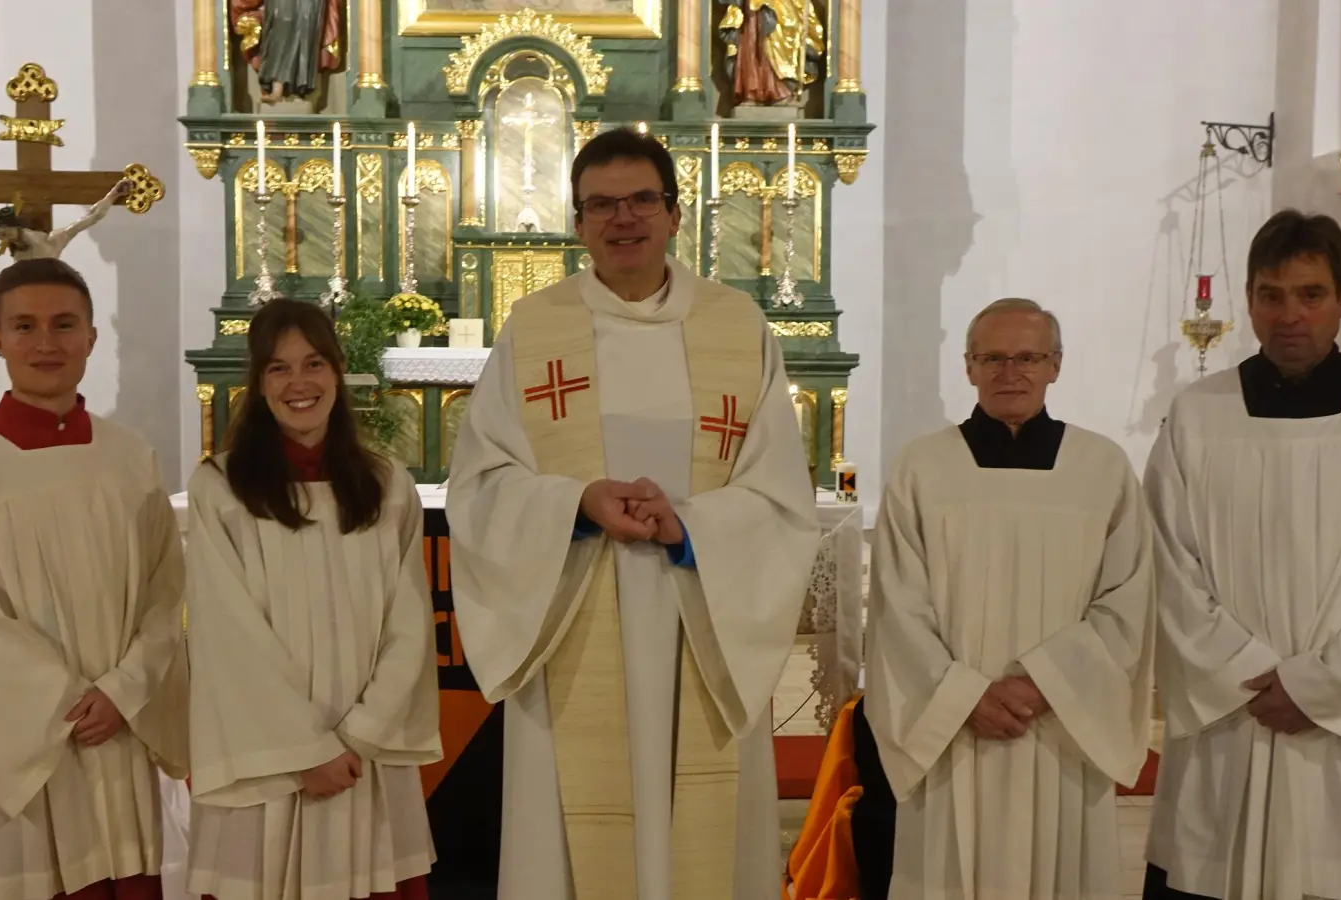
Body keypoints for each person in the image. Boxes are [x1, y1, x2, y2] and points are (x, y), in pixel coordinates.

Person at [446, 127, 821, 900]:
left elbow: (780, 493)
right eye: (602, 205)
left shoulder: (737, 327)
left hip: (700, 617)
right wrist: (575, 504)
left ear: (675, 214)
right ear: (577, 222)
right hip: (575, 611)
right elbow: (481, 486)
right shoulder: (535, 330)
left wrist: (693, 529)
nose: (624, 219)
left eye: (642, 199)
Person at [1142, 210, 1341, 900]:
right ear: (1249, 301)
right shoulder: (1198, 415)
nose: (1291, 315)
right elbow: (1167, 564)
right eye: (1271, 295)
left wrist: (1317, 687)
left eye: (1311, 294)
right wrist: (1248, 672)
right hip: (1235, 716)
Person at [0, 257, 188, 900]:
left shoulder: (130, 457)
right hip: (25, 741)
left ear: (92, 336)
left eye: (64, 324)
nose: (46, 343)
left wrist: (123, 690)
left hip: (116, 725)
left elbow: (165, 590)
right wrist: (59, 700)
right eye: (25, 326)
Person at [863, 297, 1156, 899]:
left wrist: (1043, 682)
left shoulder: (1101, 467)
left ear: (1055, 365)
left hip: (1061, 725)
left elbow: (1128, 598)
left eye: (1027, 357)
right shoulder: (924, 466)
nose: (1010, 372)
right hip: (954, 730)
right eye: (992, 358)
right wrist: (964, 696)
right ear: (968, 366)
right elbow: (898, 605)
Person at [185, 297, 441, 900]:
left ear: (337, 369)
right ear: (258, 382)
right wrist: (306, 751)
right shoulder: (221, 488)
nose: (299, 383)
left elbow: (409, 623)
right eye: (278, 368)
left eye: (313, 363)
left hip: (364, 760)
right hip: (268, 756)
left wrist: (357, 738)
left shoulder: (387, 486)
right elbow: (227, 635)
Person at [0, 179, 132, 260]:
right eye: (1, 236)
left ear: (17, 226)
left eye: (6, 234)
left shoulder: (54, 240)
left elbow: (92, 216)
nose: (5, 240)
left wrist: (114, 193)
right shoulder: (9, 238)